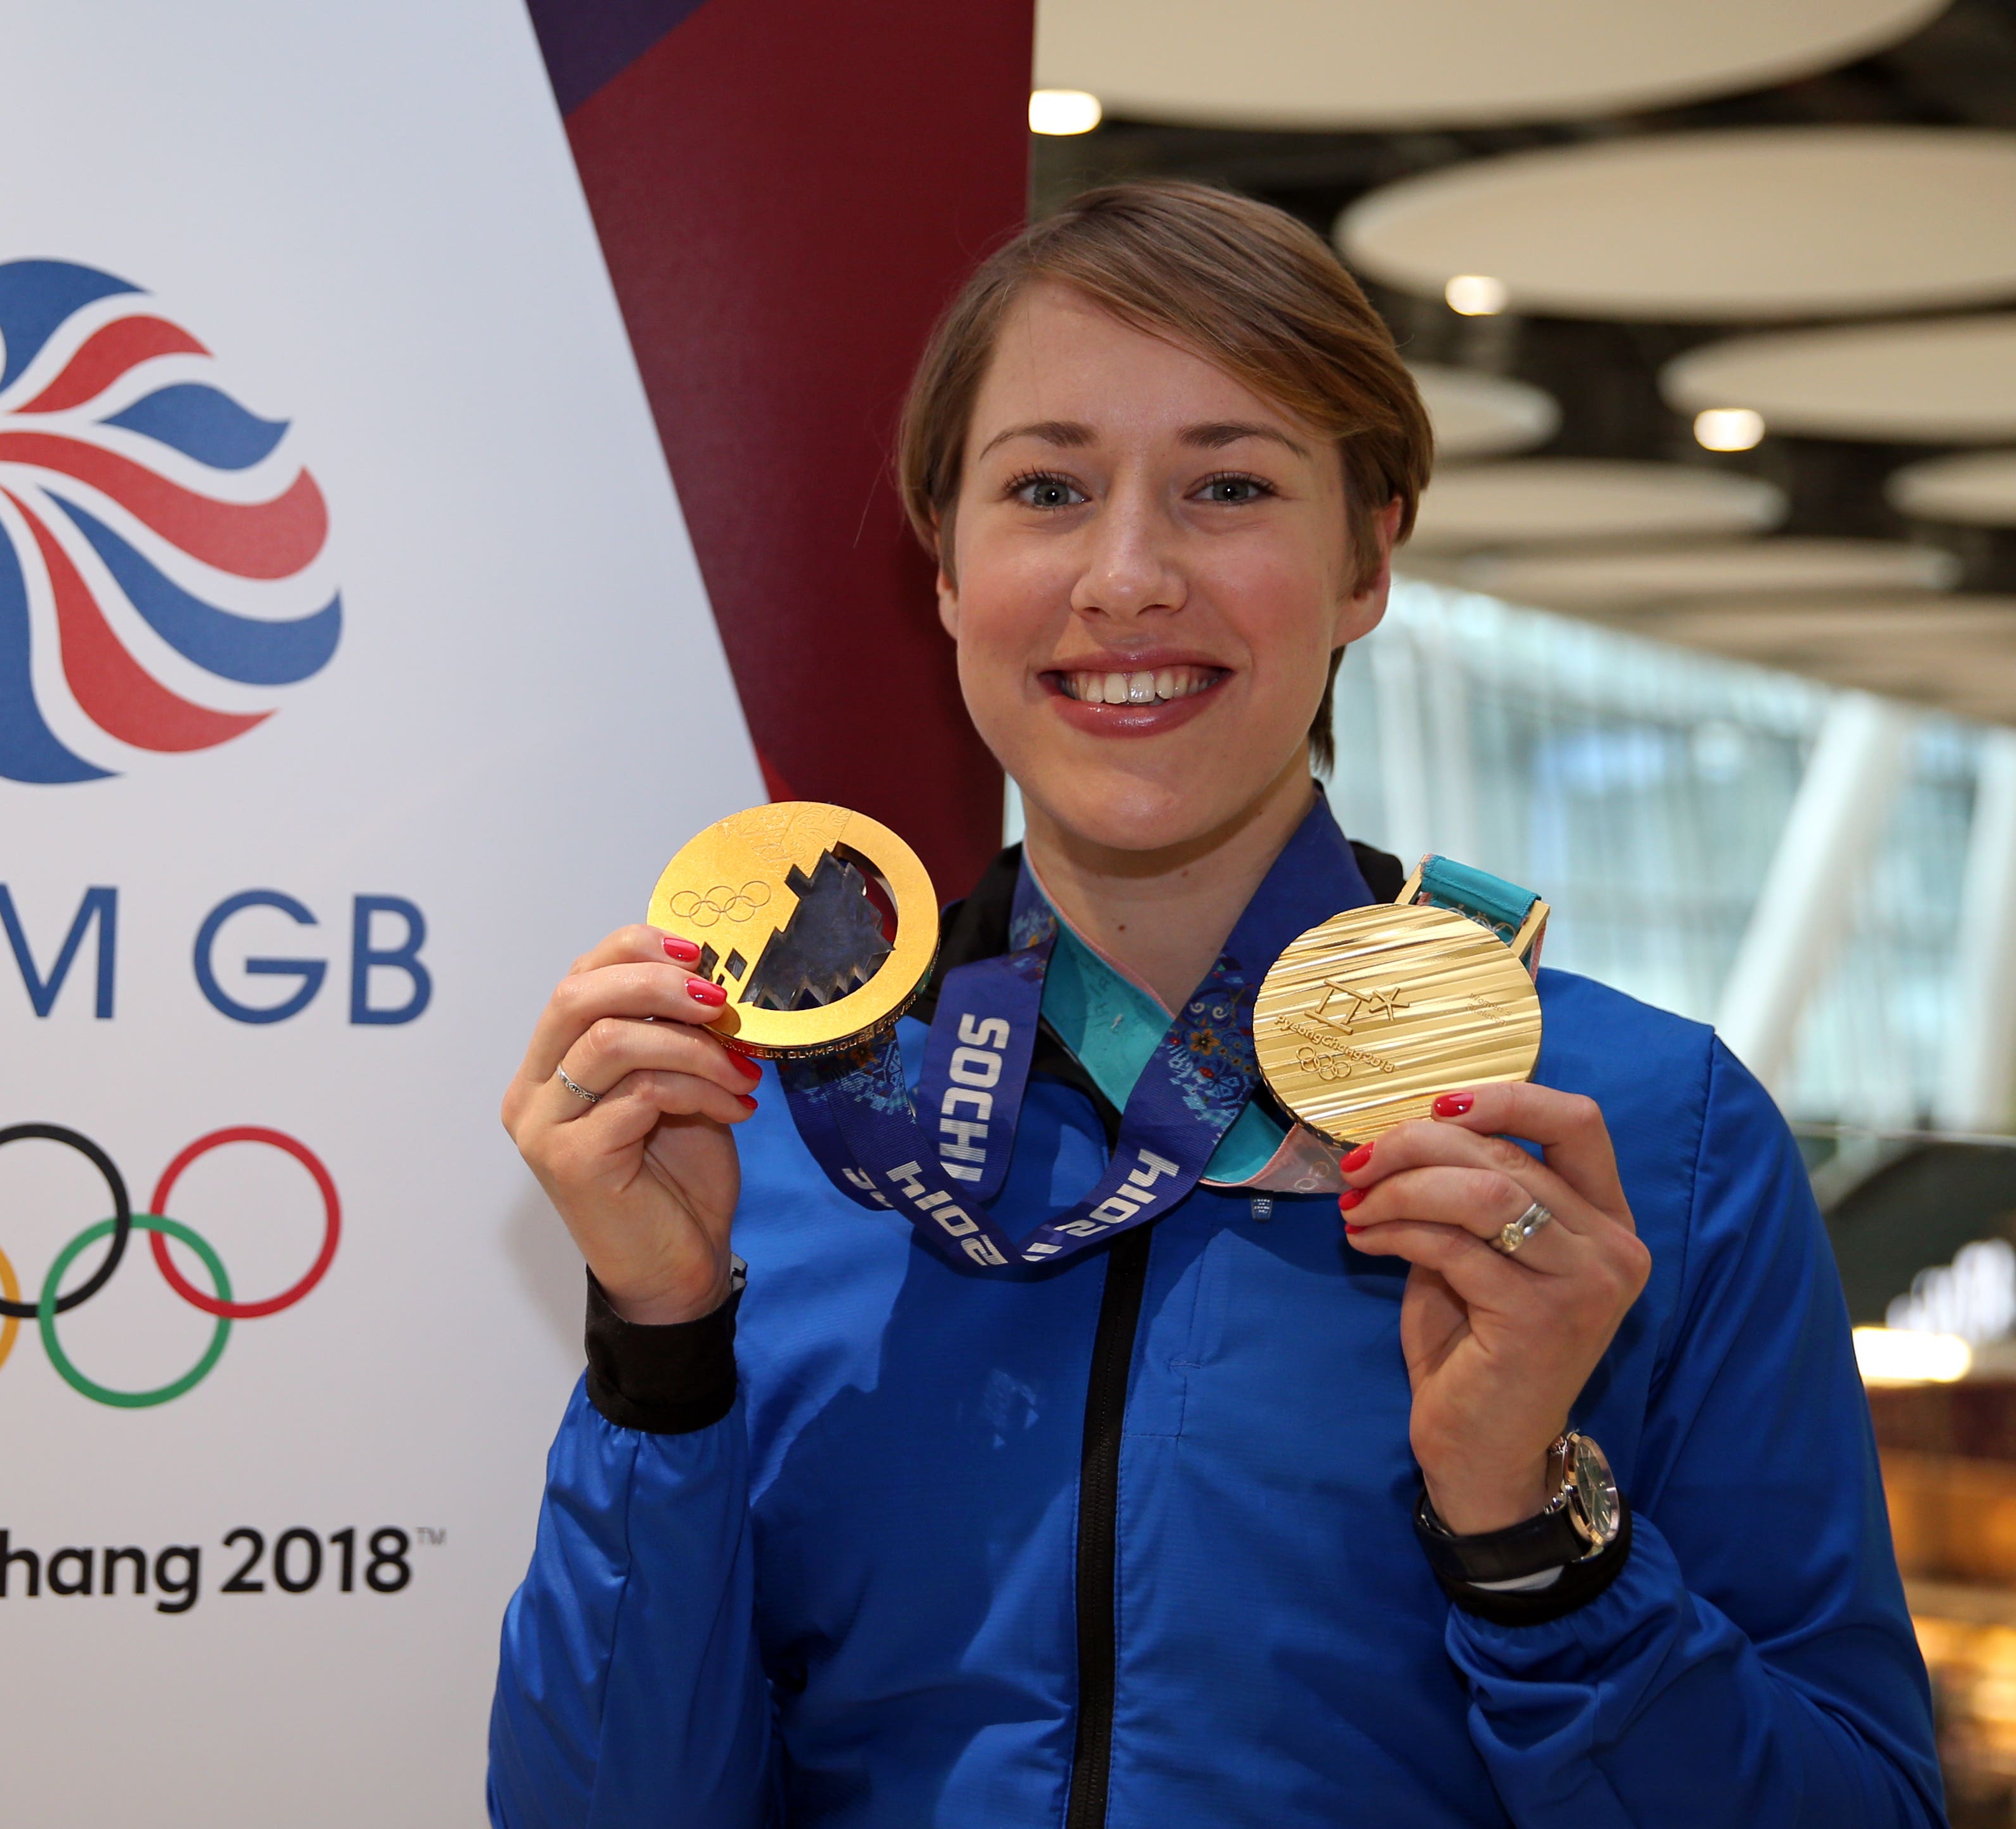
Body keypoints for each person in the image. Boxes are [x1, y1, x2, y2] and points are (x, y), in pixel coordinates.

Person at [486, 182, 1942, 1828]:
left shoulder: (1632, 1134)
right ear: (948, 569)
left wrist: (1529, 1537)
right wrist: (659, 1346)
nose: (1124, 578)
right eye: (1044, 487)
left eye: (1226, 487)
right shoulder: (788, 1120)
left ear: (1365, 556)